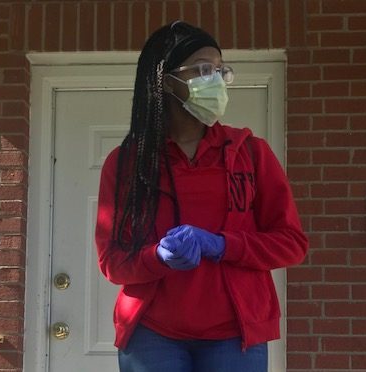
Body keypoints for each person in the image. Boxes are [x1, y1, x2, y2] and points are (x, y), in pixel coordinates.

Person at [95, 20, 308, 372]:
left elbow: (291, 243)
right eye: (204, 69)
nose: (216, 80)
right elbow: (113, 261)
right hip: (152, 334)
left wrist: (223, 245)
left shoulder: (250, 153)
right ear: (165, 80)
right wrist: (156, 257)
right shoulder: (128, 163)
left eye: (221, 71)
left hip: (235, 335)